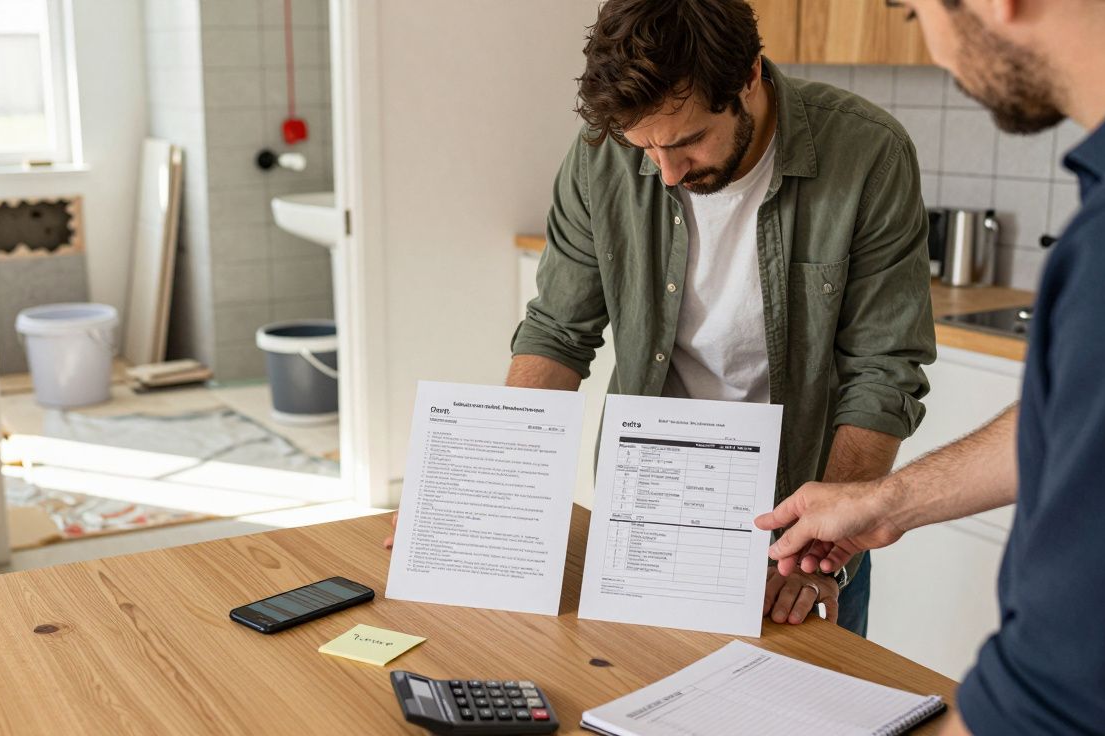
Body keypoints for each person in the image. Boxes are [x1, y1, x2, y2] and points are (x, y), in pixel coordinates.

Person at [385, 0, 937, 637]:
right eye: (644, 148)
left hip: (801, 523)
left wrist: (824, 551)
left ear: (749, 77)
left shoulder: (868, 153)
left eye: (687, 141)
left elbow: (883, 374)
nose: (667, 173)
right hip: (643, 513)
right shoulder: (601, 158)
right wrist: (485, 494)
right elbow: (559, 333)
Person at [755, 0, 1105, 732]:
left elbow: (1069, 695)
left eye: (914, 13)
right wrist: (892, 498)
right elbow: (1092, 411)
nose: (937, 51)